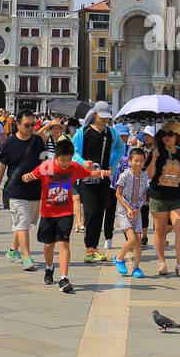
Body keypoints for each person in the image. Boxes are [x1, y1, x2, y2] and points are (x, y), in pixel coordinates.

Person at [22, 139, 100, 293]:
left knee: (63, 243)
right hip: (48, 213)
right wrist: (27, 177)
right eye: (63, 160)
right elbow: (32, 174)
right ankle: (49, 268)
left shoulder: (74, 167)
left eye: (69, 159)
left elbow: (89, 174)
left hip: (65, 212)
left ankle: (64, 278)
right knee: (48, 245)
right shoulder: (47, 167)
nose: (66, 163)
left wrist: (101, 172)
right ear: (56, 157)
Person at [0, 110, 45, 270]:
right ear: (18, 125)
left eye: (33, 125)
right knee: (22, 223)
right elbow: (0, 168)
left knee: (25, 222)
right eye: (27, 125)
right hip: (16, 190)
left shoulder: (37, 141)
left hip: (35, 189)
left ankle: (12, 251)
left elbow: (43, 164)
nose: (30, 128)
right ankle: (26, 256)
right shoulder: (9, 143)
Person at [71, 106, 123, 262]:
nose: (105, 120)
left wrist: (111, 164)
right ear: (94, 115)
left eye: (107, 117)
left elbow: (120, 148)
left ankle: (93, 248)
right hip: (86, 178)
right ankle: (89, 248)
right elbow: (72, 151)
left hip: (103, 178)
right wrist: (82, 162)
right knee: (91, 212)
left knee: (100, 213)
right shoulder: (83, 132)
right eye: (102, 117)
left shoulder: (111, 133)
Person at [146, 122, 180, 277]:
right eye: (164, 134)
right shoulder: (155, 152)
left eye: (170, 134)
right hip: (158, 197)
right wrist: (153, 158)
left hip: (177, 197)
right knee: (159, 231)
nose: (167, 137)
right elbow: (150, 175)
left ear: (177, 136)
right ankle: (162, 262)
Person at [113, 147, 150, 278]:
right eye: (136, 161)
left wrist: (138, 209)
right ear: (129, 161)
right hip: (124, 211)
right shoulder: (125, 175)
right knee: (132, 239)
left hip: (137, 210)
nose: (138, 163)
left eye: (141, 161)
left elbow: (144, 195)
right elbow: (118, 194)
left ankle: (136, 268)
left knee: (138, 240)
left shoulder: (145, 176)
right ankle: (119, 257)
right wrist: (128, 208)